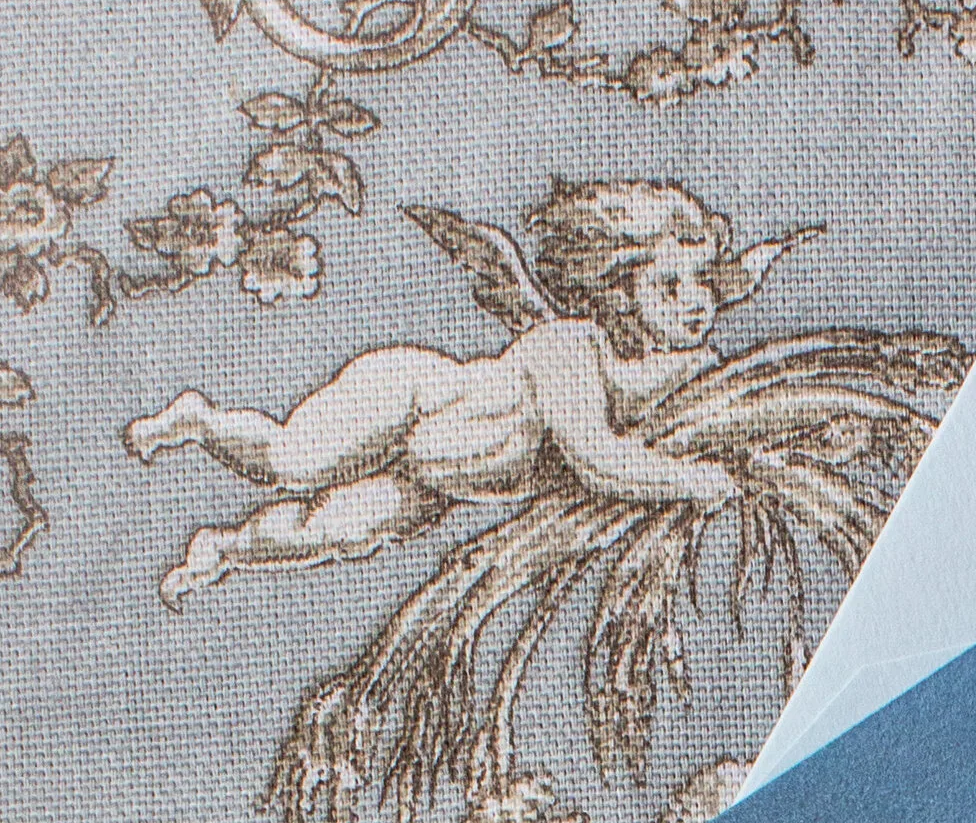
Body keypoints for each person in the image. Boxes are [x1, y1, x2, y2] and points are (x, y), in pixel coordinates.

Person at [123, 177, 801, 605]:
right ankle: (199, 421)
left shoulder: (629, 368)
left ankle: (225, 548)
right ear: (618, 290)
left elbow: (639, 390)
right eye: (671, 286)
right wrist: (690, 480)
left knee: (333, 529)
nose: (696, 303)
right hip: (411, 401)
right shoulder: (568, 347)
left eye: (704, 283)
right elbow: (596, 455)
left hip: (443, 484)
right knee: (292, 462)